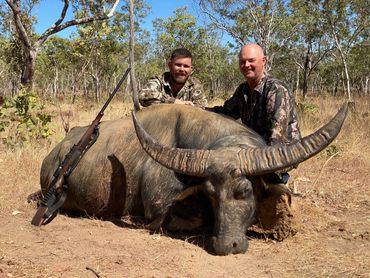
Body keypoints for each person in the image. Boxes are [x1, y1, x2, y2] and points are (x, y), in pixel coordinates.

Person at [211, 43, 301, 184]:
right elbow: (225, 112)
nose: (246, 65)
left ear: (263, 61)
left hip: (277, 157)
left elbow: (276, 140)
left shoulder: (276, 89)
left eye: (251, 60)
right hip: (254, 152)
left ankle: (278, 185)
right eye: (242, 62)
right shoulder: (243, 90)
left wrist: (260, 172)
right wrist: (195, 109)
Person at [139, 48, 207, 108]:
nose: (182, 69)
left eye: (186, 66)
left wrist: (190, 108)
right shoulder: (159, 80)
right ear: (170, 65)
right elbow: (143, 95)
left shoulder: (195, 84)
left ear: (191, 69)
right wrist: (175, 102)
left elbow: (202, 107)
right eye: (178, 65)